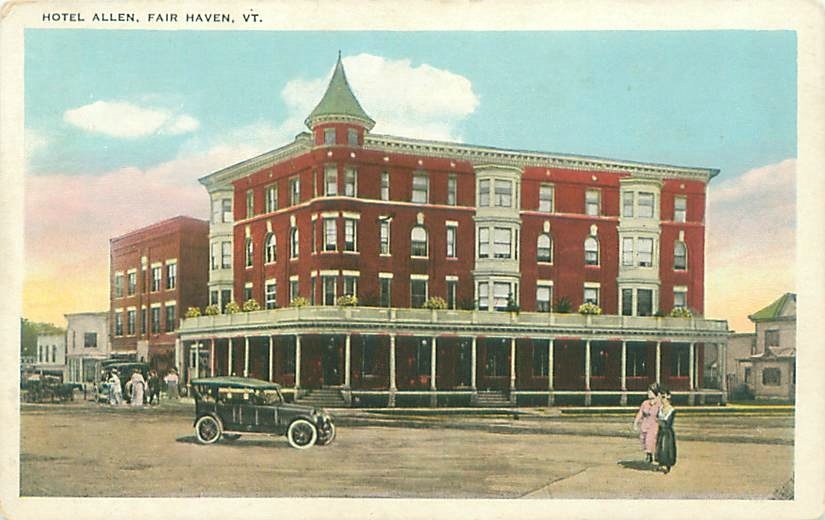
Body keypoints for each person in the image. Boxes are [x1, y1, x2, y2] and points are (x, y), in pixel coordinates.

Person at [633, 383, 661, 464]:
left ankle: (650, 455)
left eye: (650, 392)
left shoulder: (659, 404)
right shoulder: (645, 403)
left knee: (650, 439)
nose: (648, 394)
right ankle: (648, 454)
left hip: (654, 424)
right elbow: (640, 413)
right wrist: (636, 423)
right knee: (643, 439)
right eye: (648, 392)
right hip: (645, 424)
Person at [655, 389, 677, 474]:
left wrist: (659, 421)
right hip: (661, 431)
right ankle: (660, 463)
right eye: (661, 398)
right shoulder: (660, 408)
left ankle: (668, 466)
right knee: (660, 448)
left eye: (663, 398)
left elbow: (668, 423)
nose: (662, 400)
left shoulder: (672, 410)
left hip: (667, 433)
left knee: (667, 449)